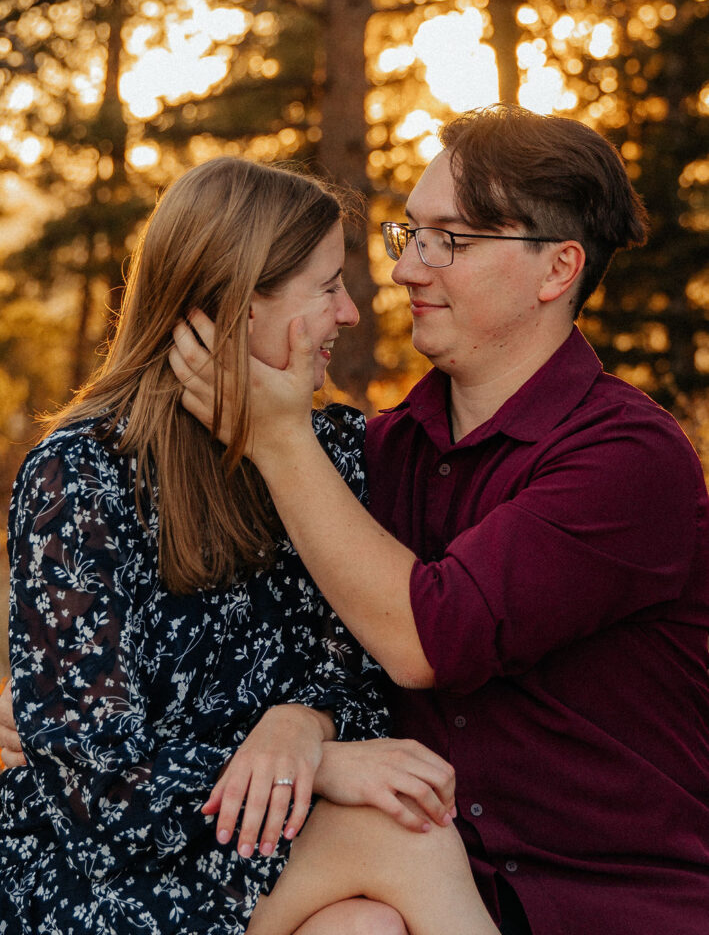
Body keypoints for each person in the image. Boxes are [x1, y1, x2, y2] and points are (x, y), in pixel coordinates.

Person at [166, 104, 709, 935]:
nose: (407, 270)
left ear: (556, 268)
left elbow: (429, 639)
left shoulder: (629, 459)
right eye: (408, 234)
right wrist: (84, 716)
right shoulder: (374, 456)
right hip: (420, 884)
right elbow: (245, 639)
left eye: (448, 240)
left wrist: (276, 437)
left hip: (611, 901)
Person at [0, 156, 500, 935]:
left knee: (363, 930)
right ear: (236, 308)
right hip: (104, 865)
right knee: (406, 838)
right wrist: (322, 763)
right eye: (327, 287)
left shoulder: (330, 452)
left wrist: (306, 724)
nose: (351, 315)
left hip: (260, 838)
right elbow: (92, 775)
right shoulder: (81, 473)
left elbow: (359, 674)